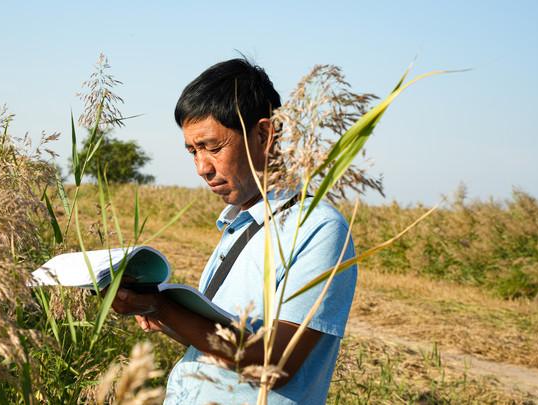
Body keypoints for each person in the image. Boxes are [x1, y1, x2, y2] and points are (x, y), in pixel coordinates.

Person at [111, 58, 357, 404]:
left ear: (264, 134)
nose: (201, 167)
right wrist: (156, 312)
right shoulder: (237, 226)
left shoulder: (318, 229)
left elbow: (276, 363)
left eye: (213, 147)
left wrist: (164, 308)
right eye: (192, 151)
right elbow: (225, 347)